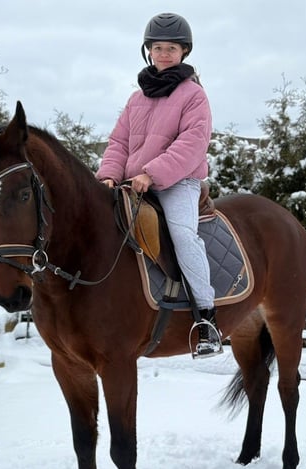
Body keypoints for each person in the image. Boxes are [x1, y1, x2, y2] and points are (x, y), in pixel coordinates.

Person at [96, 12, 222, 357]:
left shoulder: (193, 94)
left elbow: (192, 142)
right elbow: (119, 142)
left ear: (184, 52)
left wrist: (152, 173)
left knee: (183, 235)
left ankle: (207, 320)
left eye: (171, 48)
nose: (164, 54)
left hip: (176, 182)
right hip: (131, 183)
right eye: (157, 48)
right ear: (148, 51)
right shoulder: (137, 98)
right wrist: (108, 174)